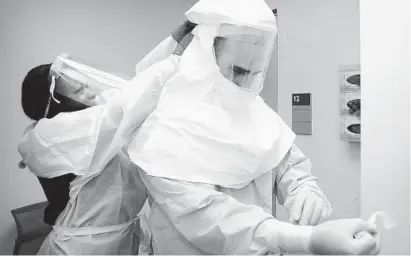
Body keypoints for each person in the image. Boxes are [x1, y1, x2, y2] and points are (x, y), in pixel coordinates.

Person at [121, 0, 381, 254]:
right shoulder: (164, 129)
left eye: (253, 73)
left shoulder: (255, 112)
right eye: (237, 70)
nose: (242, 84)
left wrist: (305, 191)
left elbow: (289, 165)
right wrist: (307, 240)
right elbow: (213, 220)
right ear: (204, 57)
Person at [17, 21, 195, 255]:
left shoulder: (95, 115)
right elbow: (125, 107)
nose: (90, 92)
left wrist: (175, 39)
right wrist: (176, 63)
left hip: (120, 239)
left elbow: (132, 90)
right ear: (54, 105)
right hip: (79, 248)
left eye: (84, 85)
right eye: (79, 90)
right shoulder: (46, 137)